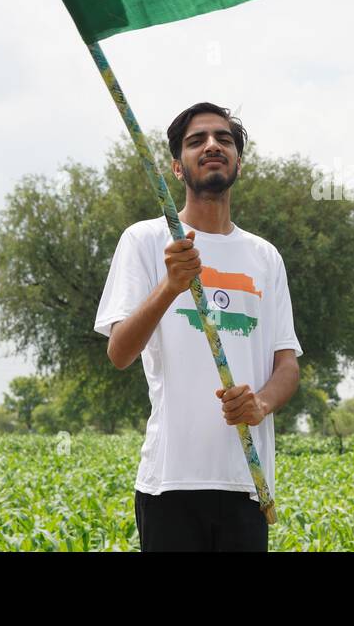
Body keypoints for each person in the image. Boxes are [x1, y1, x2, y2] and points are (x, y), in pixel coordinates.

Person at [94, 102, 302, 552]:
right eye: (196, 141)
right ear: (176, 166)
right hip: (170, 485)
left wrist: (261, 403)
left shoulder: (265, 257)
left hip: (247, 485)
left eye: (223, 139)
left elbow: (286, 362)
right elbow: (120, 352)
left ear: (238, 162)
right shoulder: (147, 240)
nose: (212, 145)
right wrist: (171, 285)